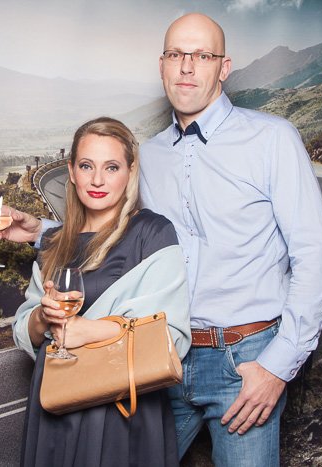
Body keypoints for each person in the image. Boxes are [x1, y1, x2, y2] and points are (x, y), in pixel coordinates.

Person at [0, 13, 322, 467]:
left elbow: (314, 258)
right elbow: (118, 229)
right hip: (155, 357)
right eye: (176, 55)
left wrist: (277, 366)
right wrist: (39, 232)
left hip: (243, 359)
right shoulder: (147, 156)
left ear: (224, 68)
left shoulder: (272, 140)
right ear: (162, 66)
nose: (187, 67)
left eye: (202, 56)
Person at [10, 117, 191, 467]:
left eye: (111, 167)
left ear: (130, 171)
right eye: (86, 166)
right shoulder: (53, 241)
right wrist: (42, 317)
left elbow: (173, 337)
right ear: (71, 171)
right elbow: (25, 330)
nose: (97, 180)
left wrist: (88, 331)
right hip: (55, 402)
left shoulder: (152, 233)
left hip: (122, 407)